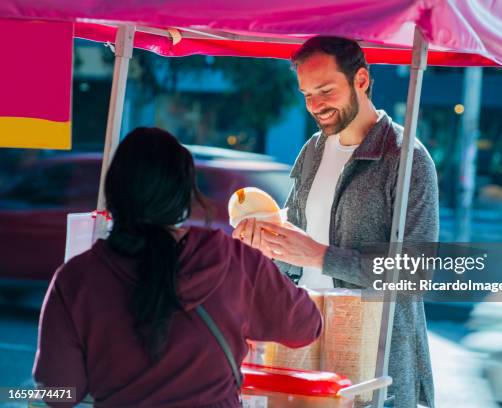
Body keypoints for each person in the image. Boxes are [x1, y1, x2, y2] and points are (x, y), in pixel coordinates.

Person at [33, 127, 322, 407]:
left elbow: (59, 393)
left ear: (114, 192)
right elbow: (307, 327)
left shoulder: (77, 279)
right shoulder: (235, 260)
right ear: (185, 195)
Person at [233, 36, 439, 407]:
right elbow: (292, 256)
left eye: (325, 90)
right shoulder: (311, 151)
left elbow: (416, 273)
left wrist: (321, 257)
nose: (315, 105)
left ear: (361, 80)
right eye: (307, 94)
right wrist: (265, 244)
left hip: (374, 361)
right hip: (305, 352)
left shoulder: (408, 159)